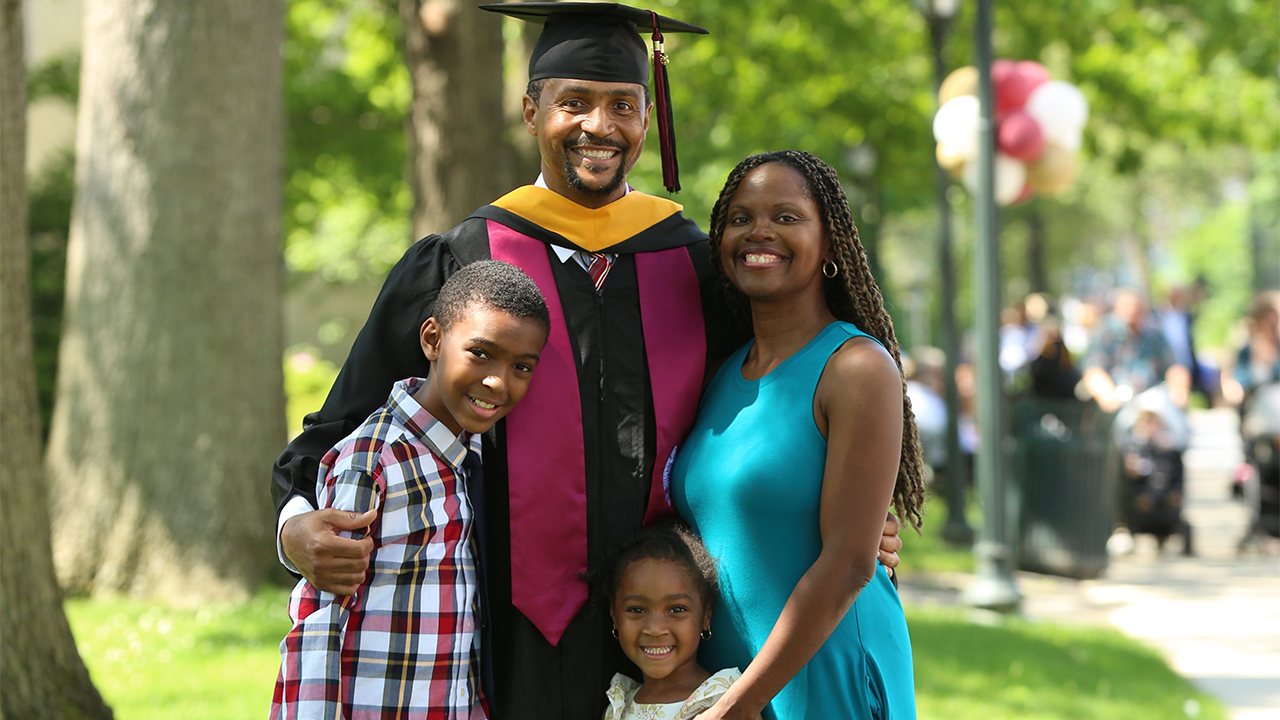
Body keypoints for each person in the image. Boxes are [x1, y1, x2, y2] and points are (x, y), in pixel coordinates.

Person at [268, 4, 906, 717]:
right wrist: (296, 531)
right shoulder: (460, 261)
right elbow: (334, 436)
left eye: (623, 105)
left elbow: (773, 416)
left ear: (648, 120)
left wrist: (856, 524)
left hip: (665, 645)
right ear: (531, 112)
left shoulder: (698, 269)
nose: (599, 126)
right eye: (574, 102)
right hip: (502, 643)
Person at [670, 150, 926, 720]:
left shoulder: (856, 367)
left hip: (821, 674)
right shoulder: (724, 372)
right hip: (731, 681)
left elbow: (850, 564)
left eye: (786, 217)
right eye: (740, 218)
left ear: (830, 244)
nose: (759, 231)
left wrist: (737, 706)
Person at [270, 261, 550, 719]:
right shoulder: (373, 461)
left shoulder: (469, 459)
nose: (498, 380)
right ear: (432, 340)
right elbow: (320, 625)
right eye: (480, 353)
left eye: (521, 366)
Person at [593, 521, 755, 720]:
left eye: (676, 609)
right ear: (614, 616)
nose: (655, 629)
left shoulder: (724, 700)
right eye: (637, 610)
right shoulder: (617, 707)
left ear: (706, 616)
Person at [1083, 289, 1190, 412]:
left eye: (1137, 307)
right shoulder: (1105, 334)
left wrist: (1179, 391)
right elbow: (1093, 371)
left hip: (1154, 400)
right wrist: (1107, 396)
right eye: (1127, 306)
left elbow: (1174, 366)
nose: (1132, 311)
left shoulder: (1154, 334)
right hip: (1120, 404)